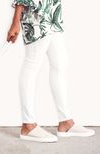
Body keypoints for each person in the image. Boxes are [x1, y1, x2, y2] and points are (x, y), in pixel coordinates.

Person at [7, 0, 95, 143]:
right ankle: (28, 125)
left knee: (60, 64)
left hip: (52, 11)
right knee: (32, 65)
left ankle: (65, 122)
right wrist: (15, 20)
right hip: (35, 13)